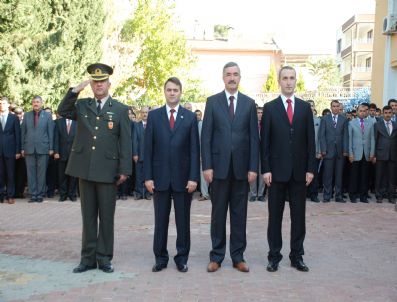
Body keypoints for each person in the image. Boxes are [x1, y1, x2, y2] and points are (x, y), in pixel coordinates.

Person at [58, 63, 132, 273]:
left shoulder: (120, 109)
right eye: (95, 81)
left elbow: (125, 142)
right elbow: (62, 110)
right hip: (85, 169)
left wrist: (125, 170)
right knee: (88, 216)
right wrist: (75, 90)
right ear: (91, 83)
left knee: (106, 217)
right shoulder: (82, 105)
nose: (98, 85)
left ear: (109, 83)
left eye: (102, 81)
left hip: (108, 171)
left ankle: (105, 257)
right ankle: (87, 259)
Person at [201, 62, 259, 273]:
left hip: (242, 170)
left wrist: (253, 167)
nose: (232, 78)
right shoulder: (213, 102)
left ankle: (238, 257)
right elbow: (206, 136)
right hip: (218, 169)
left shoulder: (249, 103)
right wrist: (206, 166)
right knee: (217, 215)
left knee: (239, 215)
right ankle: (216, 256)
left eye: (235, 74)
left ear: (240, 77)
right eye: (228, 74)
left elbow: (254, 138)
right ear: (223, 77)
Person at [261, 66, 315, 273]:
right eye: (285, 78)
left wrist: (311, 168)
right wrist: (266, 169)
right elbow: (264, 142)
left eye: (292, 78)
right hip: (275, 173)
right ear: (279, 81)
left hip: (300, 173)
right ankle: (274, 256)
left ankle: (297, 256)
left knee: (298, 217)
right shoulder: (270, 107)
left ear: (296, 81)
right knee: (274, 217)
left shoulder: (304, 108)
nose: (289, 82)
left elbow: (311, 140)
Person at [144, 77, 200, 273]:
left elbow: (195, 150)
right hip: (159, 179)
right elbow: (147, 150)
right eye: (169, 89)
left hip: (184, 180)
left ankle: (181, 258)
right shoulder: (154, 116)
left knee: (183, 221)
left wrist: (194, 177)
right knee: (160, 220)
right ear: (164, 92)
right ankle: (160, 258)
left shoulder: (190, 117)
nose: (172, 93)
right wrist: (147, 177)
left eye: (176, 90)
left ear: (180, 92)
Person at [21, 96, 54, 203]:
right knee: (30, 173)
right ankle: (33, 194)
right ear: (32, 103)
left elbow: (51, 133)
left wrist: (51, 148)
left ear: (41, 103)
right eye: (34, 102)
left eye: (38, 102)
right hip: (29, 148)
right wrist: (22, 148)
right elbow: (23, 133)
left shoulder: (48, 116)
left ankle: (40, 194)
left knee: (41, 172)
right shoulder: (26, 115)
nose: (36, 104)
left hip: (43, 148)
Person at [318, 100, 349, 202]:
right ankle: (327, 196)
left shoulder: (344, 119)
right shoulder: (325, 119)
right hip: (328, 151)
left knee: (339, 175)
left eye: (337, 106)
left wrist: (345, 150)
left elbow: (345, 136)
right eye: (334, 106)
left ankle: (338, 196)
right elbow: (321, 136)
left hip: (340, 152)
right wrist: (323, 149)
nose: (335, 108)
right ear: (331, 107)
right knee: (327, 175)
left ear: (339, 107)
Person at [348, 104, 375, 203]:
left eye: (364, 111)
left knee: (365, 176)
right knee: (354, 175)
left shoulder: (370, 123)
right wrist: (350, 153)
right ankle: (353, 195)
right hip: (355, 153)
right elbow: (350, 139)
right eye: (360, 111)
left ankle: (363, 195)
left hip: (367, 153)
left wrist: (372, 152)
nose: (362, 112)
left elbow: (372, 138)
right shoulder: (351, 123)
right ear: (357, 111)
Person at [373, 105, 396, 204]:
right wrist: (373, 155)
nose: (387, 115)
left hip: (393, 155)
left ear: (392, 113)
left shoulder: (395, 124)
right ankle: (379, 196)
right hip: (380, 154)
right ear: (383, 114)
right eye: (385, 113)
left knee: (392, 177)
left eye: (389, 113)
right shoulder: (377, 125)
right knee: (379, 176)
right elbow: (374, 140)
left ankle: (391, 196)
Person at [0, 97, 21, 204]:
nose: (1, 105)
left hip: (11, 151)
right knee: (0, 174)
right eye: (0, 103)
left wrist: (18, 151)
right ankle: (1, 196)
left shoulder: (14, 118)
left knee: (10, 174)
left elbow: (18, 135)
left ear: (8, 105)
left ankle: (10, 196)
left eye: (3, 103)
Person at [54, 116, 77, 201]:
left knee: (73, 176)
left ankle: (72, 195)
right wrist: (56, 152)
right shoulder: (58, 122)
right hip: (61, 153)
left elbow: (80, 139)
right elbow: (56, 138)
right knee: (62, 176)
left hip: (74, 154)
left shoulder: (77, 122)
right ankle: (63, 195)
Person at [133, 107, 151, 200]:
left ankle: (148, 193)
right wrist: (135, 154)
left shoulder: (153, 124)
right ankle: (139, 193)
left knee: (148, 175)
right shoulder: (136, 125)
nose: (145, 114)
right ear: (140, 113)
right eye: (143, 112)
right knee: (139, 176)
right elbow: (134, 140)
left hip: (150, 156)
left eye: (146, 113)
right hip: (139, 155)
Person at [249, 106, 266, 202]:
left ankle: (260, 194)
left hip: (263, 152)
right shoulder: (251, 124)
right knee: (253, 172)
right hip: (252, 152)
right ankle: (253, 194)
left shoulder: (266, 124)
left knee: (262, 173)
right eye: (258, 113)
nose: (260, 114)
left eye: (261, 113)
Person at [307, 100, 322, 202]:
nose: (310, 107)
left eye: (312, 105)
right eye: (308, 106)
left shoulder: (318, 121)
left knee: (314, 174)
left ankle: (313, 194)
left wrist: (320, 151)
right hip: (303, 153)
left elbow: (321, 137)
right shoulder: (299, 119)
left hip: (315, 152)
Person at [195, 109, 210, 201]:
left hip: (208, 155)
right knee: (202, 175)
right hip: (200, 154)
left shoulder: (201, 124)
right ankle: (204, 194)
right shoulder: (199, 124)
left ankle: (207, 194)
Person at [13, 107, 27, 199]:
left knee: (22, 173)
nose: (18, 115)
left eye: (20, 113)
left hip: (23, 152)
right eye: (16, 113)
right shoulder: (12, 122)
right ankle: (13, 192)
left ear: (23, 113)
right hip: (12, 151)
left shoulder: (25, 123)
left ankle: (20, 192)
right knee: (13, 172)